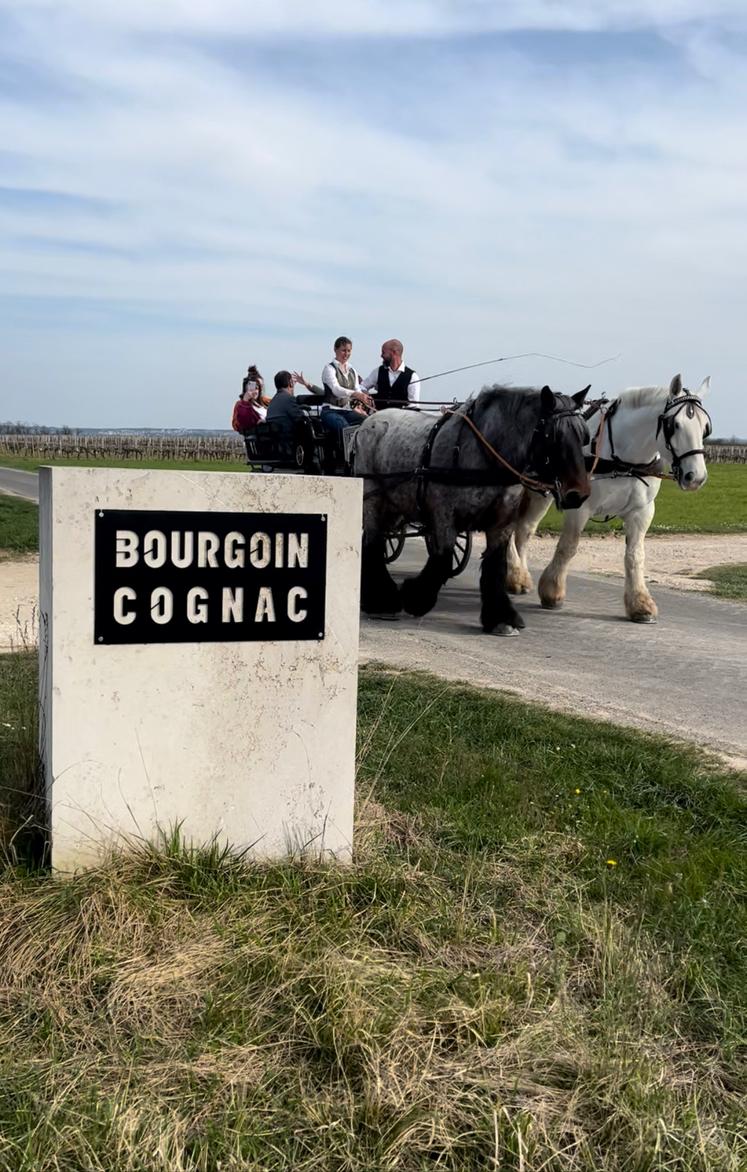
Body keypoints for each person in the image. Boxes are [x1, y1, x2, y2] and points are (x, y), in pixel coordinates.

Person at [361, 339, 421, 406]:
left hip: (401, 416)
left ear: (394, 353)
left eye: (383, 352)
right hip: (378, 415)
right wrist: (365, 394)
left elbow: (414, 405)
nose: (381, 355)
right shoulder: (378, 371)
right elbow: (362, 386)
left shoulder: (413, 377)